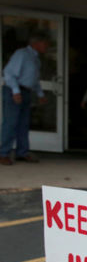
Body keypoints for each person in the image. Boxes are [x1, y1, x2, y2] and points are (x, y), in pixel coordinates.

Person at [1, 32, 49, 165]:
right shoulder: (22, 54)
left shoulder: (36, 59)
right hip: (14, 90)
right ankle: (3, 153)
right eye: (45, 43)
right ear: (36, 43)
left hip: (26, 92)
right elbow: (9, 73)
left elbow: (34, 80)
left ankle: (22, 152)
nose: (47, 46)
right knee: (11, 123)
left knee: (23, 124)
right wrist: (16, 92)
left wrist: (40, 95)